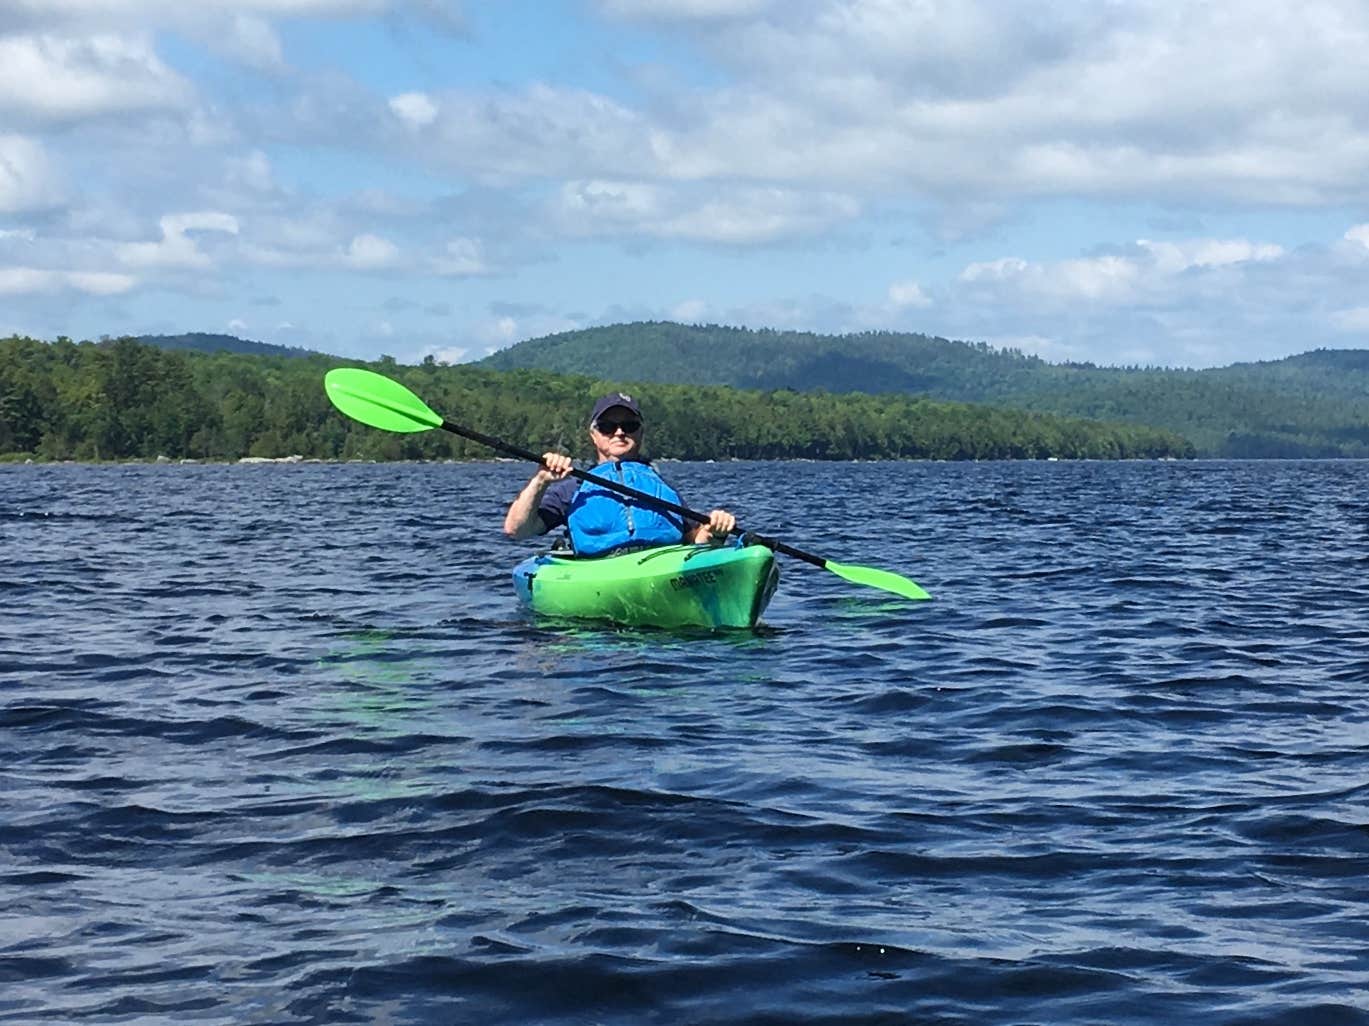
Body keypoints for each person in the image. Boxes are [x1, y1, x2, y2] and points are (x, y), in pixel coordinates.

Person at [503, 391, 736, 556]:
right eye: (607, 427)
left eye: (629, 426)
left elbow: (694, 539)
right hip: (599, 571)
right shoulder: (573, 489)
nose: (619, 432)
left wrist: (714, 532)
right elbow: (517, 529)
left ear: (640, 433)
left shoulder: (661, 488)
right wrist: (541, 480)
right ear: (593, 435)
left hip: (661, 566)